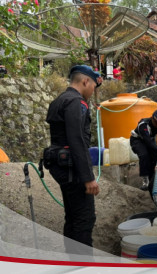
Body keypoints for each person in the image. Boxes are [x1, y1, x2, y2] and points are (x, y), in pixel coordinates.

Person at [45, 65, 102, 256]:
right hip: (73, 169)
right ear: (85, 81)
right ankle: (83, 265)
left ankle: (72, 262)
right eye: (93, 85)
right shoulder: (77, 103)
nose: (93, 90)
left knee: (73, 217)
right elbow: (76, 139)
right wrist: (88, 177)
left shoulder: (60, 100)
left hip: (60, 165)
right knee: (84, 219)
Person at [130, 109, 157, 191]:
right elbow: (148, 142)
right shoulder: (143, 124)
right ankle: (145, 180)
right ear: (152, 118)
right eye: (156, 123)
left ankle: (153, 179)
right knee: (144, 155)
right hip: (137, 140)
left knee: (154, 157)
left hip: (149, 139)